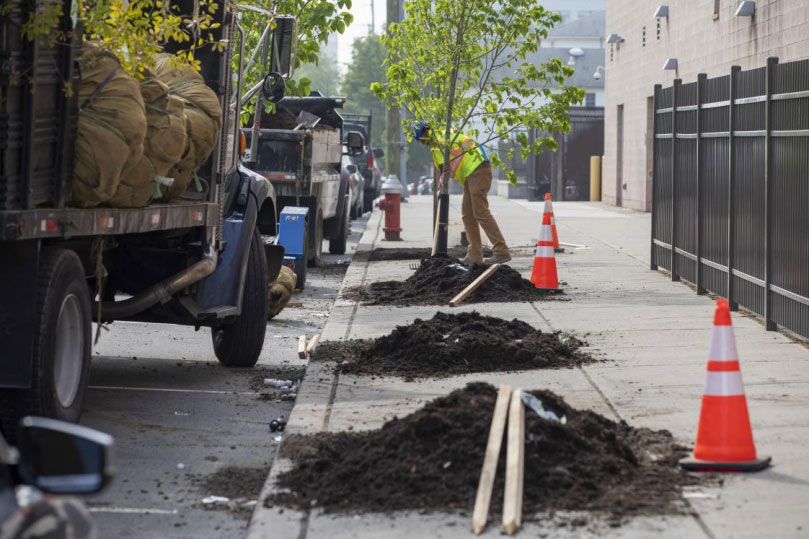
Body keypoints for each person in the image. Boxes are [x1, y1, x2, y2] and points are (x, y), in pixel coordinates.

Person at [414, 122, 511, 265]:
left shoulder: (438, 145)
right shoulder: (447, 133)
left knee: (480, 212)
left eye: (421, 140)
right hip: (473, 172)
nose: (423, 144)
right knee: (468, 215)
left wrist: (441, 185)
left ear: (424, 134)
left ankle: (501, 251)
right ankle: (475, 254)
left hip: (477, 170)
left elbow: (444, 170)